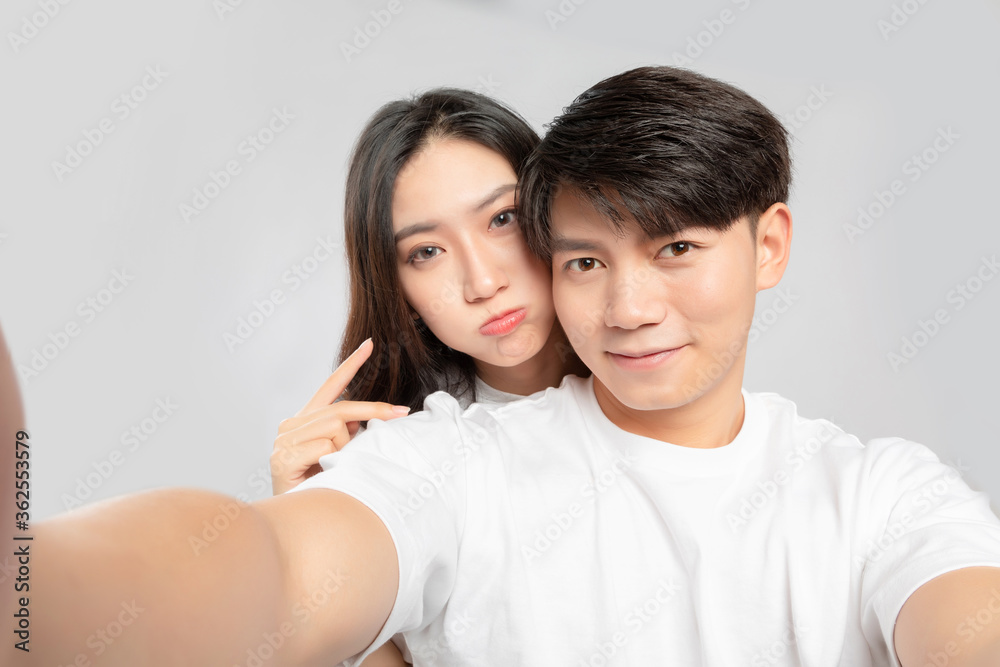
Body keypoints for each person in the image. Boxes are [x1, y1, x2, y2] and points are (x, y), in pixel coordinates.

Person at [8, 67, 1000, 666]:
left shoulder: (879, 491)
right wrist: (31, 584)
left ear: (767, 247)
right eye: (587, 260)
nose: (628, 304)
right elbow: (264, 574)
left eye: (675, 249)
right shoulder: (442, 462)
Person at [268, 88, 587, 666]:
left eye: (503, 218)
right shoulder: (407, 458)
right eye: (427, 251)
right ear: (400, 290)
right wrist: (308, 529)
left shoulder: (655, 377)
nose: (482, 281)